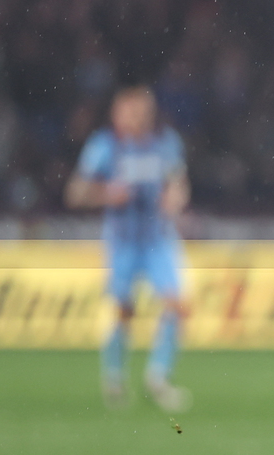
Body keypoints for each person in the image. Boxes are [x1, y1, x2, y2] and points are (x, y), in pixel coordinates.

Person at [65, 84, 191, 412]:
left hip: (158, 240)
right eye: (130, 111)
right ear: (117, 114)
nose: (136, 118)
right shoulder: (104, 146)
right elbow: (76, 192)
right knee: (123, 312)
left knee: (177, 305)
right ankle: (114, 379)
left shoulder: (165, 143)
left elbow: (178, 183)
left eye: (142, 111)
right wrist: (106, 194)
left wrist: (175, 198)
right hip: (122, 243)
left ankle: (157, 378)